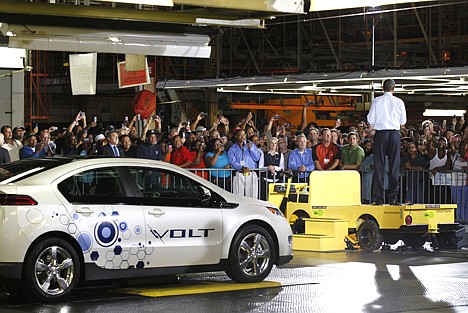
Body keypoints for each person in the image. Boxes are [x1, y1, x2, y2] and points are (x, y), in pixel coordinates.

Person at [367, 79, 407, 205]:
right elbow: (403, 121)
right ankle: (393, 198)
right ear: (394, 89)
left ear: (382, 88)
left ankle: (378, 198)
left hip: (381, 134)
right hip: (394, 134)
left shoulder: (377, 101)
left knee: (379, 166)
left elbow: (370, 119)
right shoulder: (399, 102)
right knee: (394, 167)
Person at [228, 128, 261, 198]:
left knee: (252, 196)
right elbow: (233, 163)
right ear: (236, 137)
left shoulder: (251, 144)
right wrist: (242, 167)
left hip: (251, 173)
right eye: (240, 135)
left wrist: (251, 148)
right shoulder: (232, 149)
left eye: (244, 135)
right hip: (239, 174)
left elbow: (257, 158)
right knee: (238, 197)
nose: (243, 137)